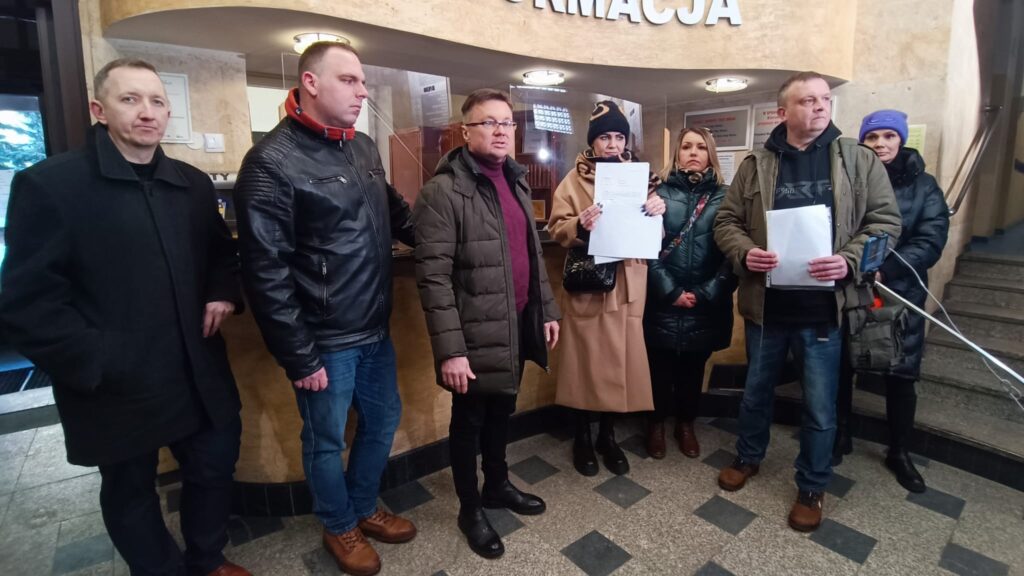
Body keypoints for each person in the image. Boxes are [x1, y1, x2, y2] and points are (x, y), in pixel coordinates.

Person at [0, 58, 249, 576]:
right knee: (130, 489)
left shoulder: (191, 183)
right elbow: (27, 302)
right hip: (115, 379)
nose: (147, 112)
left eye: (157, 101)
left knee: (214, 463)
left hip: (195, 366)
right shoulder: (50, 185)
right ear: (99, 109)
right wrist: (98, 359)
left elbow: (220, 254)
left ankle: (207, 559)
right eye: (130, 99)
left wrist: (221, 294)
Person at [234, 41, 416, 576]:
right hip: (324, 340)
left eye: (363, 82)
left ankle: (361, 507)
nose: (363, 92)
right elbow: (265, 272)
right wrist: (299, 356)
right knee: (326, 440)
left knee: (382, 421)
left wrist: (446, 241)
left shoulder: (363, 146)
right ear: (310, 83)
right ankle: (338, 525)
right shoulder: (270, 162)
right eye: (349, 80)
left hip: (374, 327)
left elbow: (394, 212)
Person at [713, 71, 901, 532]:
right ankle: (748, 455)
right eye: (807, 100)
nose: (819, 106)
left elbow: (885, 223)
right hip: (766, 307)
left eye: (824, 99)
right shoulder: (756, 163)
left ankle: (812, 485)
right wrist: (745, 252)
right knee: (756, 393)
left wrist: (848, 260)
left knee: (819, 405)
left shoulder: (856, 159)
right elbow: (726, 222)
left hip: (824, 311)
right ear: (783, 112)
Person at [414, 88, 561, 560]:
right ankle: (470, 509)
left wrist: (547, 310)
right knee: (469, 422)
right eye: (489, 122)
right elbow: (433, 278)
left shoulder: (516, 181)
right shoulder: (443, 191)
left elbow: (531, 256)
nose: (501, 131)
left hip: (515, 324)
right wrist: (451, 351)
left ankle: (497, 484)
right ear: (466, 131)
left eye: (507, 123)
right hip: (473, 333)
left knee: (502, 412)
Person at [832, 109, 949, 493]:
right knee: (842, 366)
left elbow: (930, 239)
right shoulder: (849, 179)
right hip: (853, 289)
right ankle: (841, 434)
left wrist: (885, 270)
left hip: (900, 292)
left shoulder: (924, 186)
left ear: (901, 139)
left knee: (901, 375)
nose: (880, 144)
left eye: (888, 136)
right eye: (872, 137)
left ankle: (899, 451)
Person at [548, 100, 666, 477]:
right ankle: (582, 436)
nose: (613, 145)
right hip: (590, 286)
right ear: (593, 142)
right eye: (604, 138)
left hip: (629, 286)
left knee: (620, 362)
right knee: (585, 363)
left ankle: (608, 436)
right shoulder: (573, 180)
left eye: (619, 137)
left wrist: (658, 214)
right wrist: (579, 225)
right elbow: (556, 228)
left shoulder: (641, 179)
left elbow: (656, 237)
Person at [643, 127, 737, 459]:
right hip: (662, 302)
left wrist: (705, 292)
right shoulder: (656, 194)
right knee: (659, 368)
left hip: (705, 304)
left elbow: (733, 255)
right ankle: (655, 424)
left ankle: (685, 424)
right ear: (677, 153)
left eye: (700, 147)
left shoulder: (728, 196)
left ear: (710, 154)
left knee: (693, 371)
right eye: (686, 146)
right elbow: (645, 251)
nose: (693, 152)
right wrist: (670, 292)